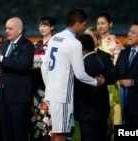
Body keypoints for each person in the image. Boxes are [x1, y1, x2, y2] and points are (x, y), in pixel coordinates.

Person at [41, 9, 104, 141]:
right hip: (63, 96)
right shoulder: (74, 43)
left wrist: (50, 86)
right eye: (84, 24)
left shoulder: (54, 38)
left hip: (51, 94)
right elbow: (80, 74)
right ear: (77, 23)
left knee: (58, 132)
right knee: (62, 134)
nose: (84, 27)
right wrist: (95, 82)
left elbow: (44, 67)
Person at [0, 17, 35, 141]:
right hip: (4, 97)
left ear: (19, 30)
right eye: (6, 28)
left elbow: (22, 65)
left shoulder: (27, 45)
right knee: (6, 134)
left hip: (19, 98)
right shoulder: (5, 44)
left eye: (10, 28)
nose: (6, 31)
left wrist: (1, 58)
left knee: (20, 134)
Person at [108, 21, 138, 125]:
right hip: (126, 109)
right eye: (129, 31)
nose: (129, 34)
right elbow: (116, 72)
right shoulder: (124, 53)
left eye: (133, 32)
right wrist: (102, 79)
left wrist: (133, 82)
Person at [74, 34, 109, 141]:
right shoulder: (95, 59)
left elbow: (86, 88)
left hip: (90, 112)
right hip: (96, 111)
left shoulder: (87, 63)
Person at [96, 12, 124, 141]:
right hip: (97, 84)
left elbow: (118, 68)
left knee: (113, 115)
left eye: (103, 23)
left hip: (111, 84)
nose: (100, 26)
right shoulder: (97, 42)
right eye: (98, 24)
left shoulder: (115, 44)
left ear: (110, 24)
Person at [31, 15, 57, 141]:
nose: (42, 28)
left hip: (49, 86)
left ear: (52, 27)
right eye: (41, 25)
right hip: (37, 88)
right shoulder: (37, 44)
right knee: (36, 119)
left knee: (48, 119)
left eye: (45, 25)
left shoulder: (55, 43)